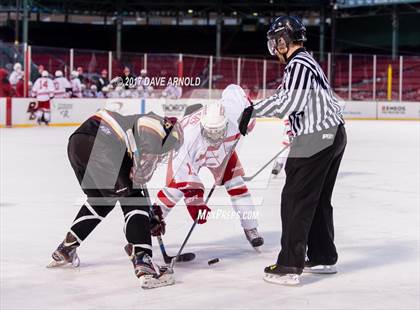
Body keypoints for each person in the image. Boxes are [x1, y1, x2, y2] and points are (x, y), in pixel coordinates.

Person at [239, 16, 346, 285]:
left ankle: (289, 265)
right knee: (317, 201)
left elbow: (290, 102)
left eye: (275, 41)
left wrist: (253, 111)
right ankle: (323, 257)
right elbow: (287, 96)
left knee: (295, 200)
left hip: (314, 138)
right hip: (332, 134)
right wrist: (256, 108)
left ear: (284, 40)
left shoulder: (297, 63)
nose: (273, 46)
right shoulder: (305, 62)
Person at [47, 110, 183, 289]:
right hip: (102, 142)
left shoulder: (136, 131)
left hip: (77, 144)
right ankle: (145, 265)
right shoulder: (156, 124)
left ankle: (66, 248)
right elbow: (139, 174)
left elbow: (133, 173)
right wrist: (146, 215)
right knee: (134, 199)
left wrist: (147, 218)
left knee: (101, 200)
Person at [152, 84, 264, 249]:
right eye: (209, 132)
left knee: (237, 185)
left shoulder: (233, 114)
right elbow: (184, 175)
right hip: (194, 155)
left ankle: (251, 227)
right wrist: (196, 202)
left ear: (226, 124)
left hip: (223, 152)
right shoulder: (187, 138)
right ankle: (149, 220)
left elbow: (234, 90)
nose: (213, 137)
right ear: (203, 126)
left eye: (217, 132)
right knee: (174, 190)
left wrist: (249, 115)